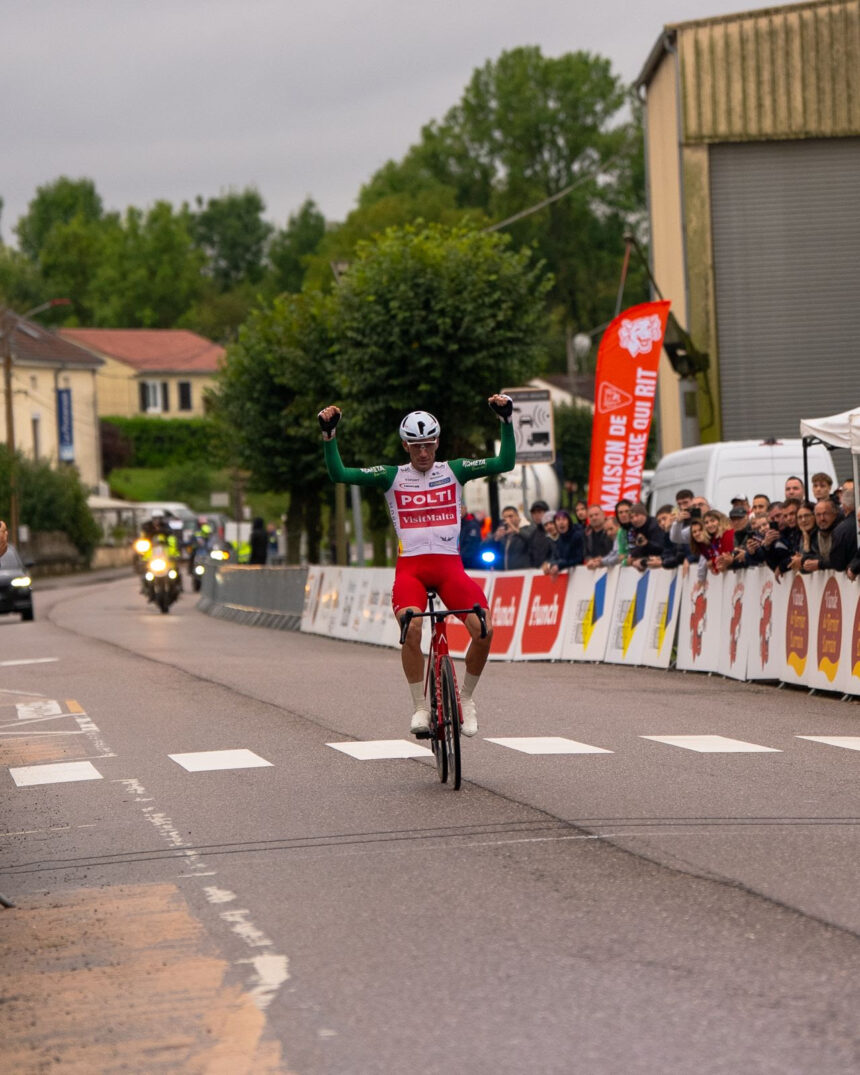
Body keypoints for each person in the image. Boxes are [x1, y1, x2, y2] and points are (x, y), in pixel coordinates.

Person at [318, 393, 515, 738]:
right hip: (411, 568)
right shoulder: (391, 476)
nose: (423, 453)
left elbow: (504, 464)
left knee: (484, 630)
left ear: (437, 443)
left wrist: (506, 422)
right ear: (405, 446)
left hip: (449, 568)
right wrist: (329, 437)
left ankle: (466, 698)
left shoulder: (454, 470)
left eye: (428, 445)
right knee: (411, 627)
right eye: (415, 446)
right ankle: (420, 708)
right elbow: (339, 474)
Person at [544, 509, 583, 576]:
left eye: (564, 519)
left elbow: (578, 558)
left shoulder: (577, 536)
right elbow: (555, 557)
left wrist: (559, 565)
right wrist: (549, 564)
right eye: (558, 520)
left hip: (580, 574)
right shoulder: (559, 540)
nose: (561, 522)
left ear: (569, 522)